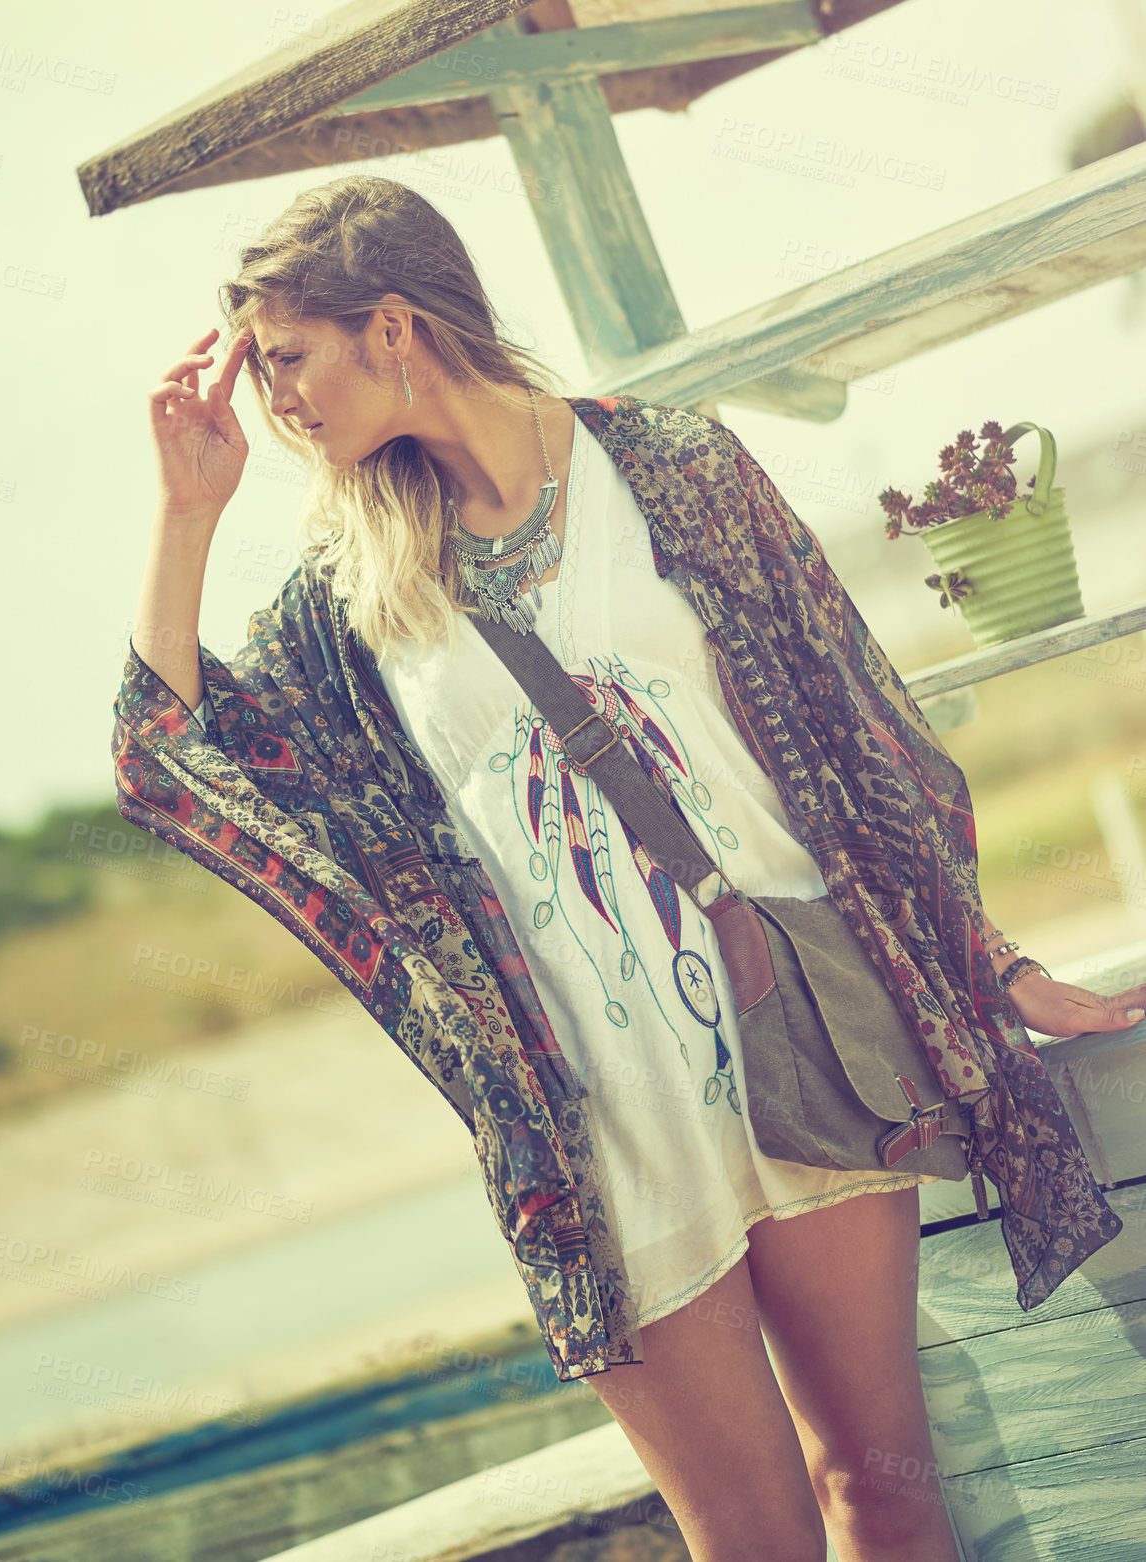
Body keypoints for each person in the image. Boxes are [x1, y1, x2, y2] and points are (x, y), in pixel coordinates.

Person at [114, 176, 1142, 1562]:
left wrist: (998, 964)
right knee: (753, 1538)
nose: (270, 402)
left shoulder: (670, 466)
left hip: (806, 1042)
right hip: (595, 1131)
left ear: (394, 325)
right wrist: (187, 512)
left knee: (887, 1489)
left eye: (285, 358)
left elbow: (860, 732)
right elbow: (165, 765)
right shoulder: (348, 599)